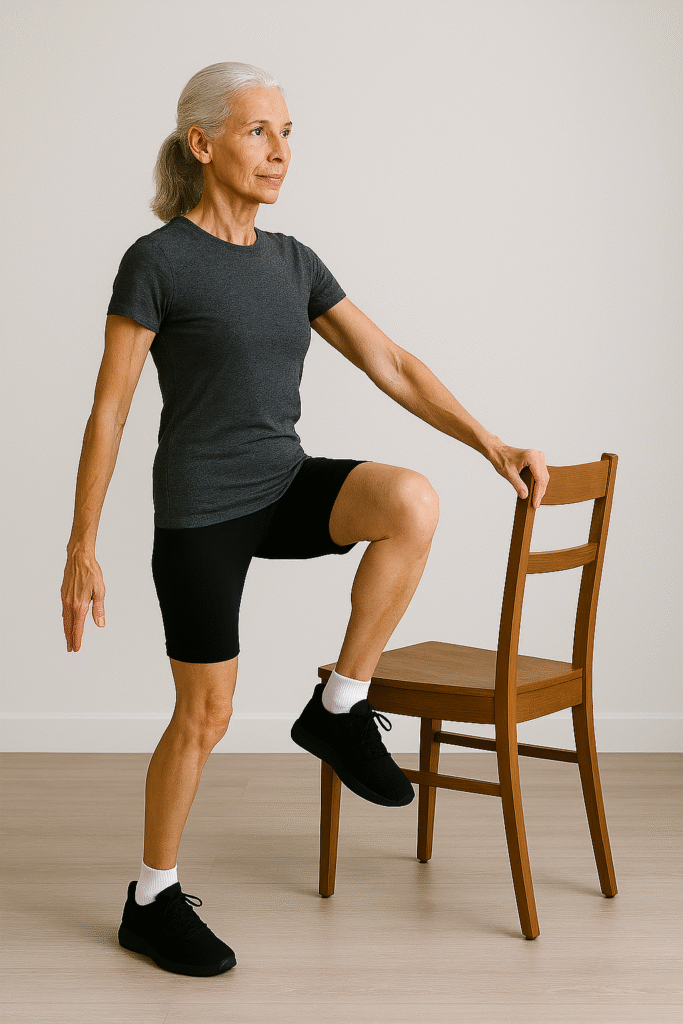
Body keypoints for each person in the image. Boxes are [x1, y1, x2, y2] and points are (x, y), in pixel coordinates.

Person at [60, 61, 550, 977]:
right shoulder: (157, 260)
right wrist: (82, 545)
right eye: (257, 131)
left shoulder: (293, 260)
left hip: (280, 486)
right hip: (201, 511)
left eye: (287, 132)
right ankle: (150, 897)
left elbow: (391, 363)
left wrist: (491, 442)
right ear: (202, 144)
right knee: (204, 714)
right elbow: (111, 409)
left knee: (409, 498)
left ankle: (338, 704)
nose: (280, 151)